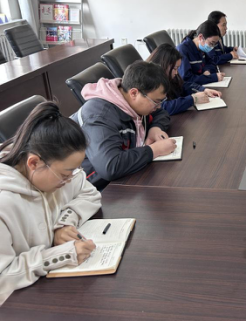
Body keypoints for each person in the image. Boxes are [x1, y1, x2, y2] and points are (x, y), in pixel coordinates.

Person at [0, 102, 101, 304]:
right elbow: (3, 278)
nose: (70, 179)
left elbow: (89, 193)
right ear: (33, 163)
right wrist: (61, 255)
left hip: (53, 289)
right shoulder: (5, 203)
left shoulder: (51, 172)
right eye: (65, 174)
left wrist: (63, 224)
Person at [71, 61, 177, 190]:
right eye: (156, 102)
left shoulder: (129, 99)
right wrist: (154, 150)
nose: (158, 106)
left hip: (124, 176)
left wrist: (156, 128)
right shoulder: (99, 116)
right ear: (134, 93)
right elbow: (110, 167)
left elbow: (161, 113)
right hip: (93, 188)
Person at [146, 44, 222, 115]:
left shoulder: (168, 75)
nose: (176, 72)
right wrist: (193, 99)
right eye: (175, 68)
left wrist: (203, 89)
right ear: (163, 65)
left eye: (178, 68)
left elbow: (182, 85)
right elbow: (162, 107)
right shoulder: (151, 80)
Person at [177, 20, 226, 85]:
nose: (212, 47)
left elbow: (212, 62)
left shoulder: (201, 48)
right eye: (211, 43)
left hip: (200, 85)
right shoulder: (183, 50)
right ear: (201, 37)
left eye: (214, 44)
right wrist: (212, 78)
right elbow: (186, 79)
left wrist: (206, 70)